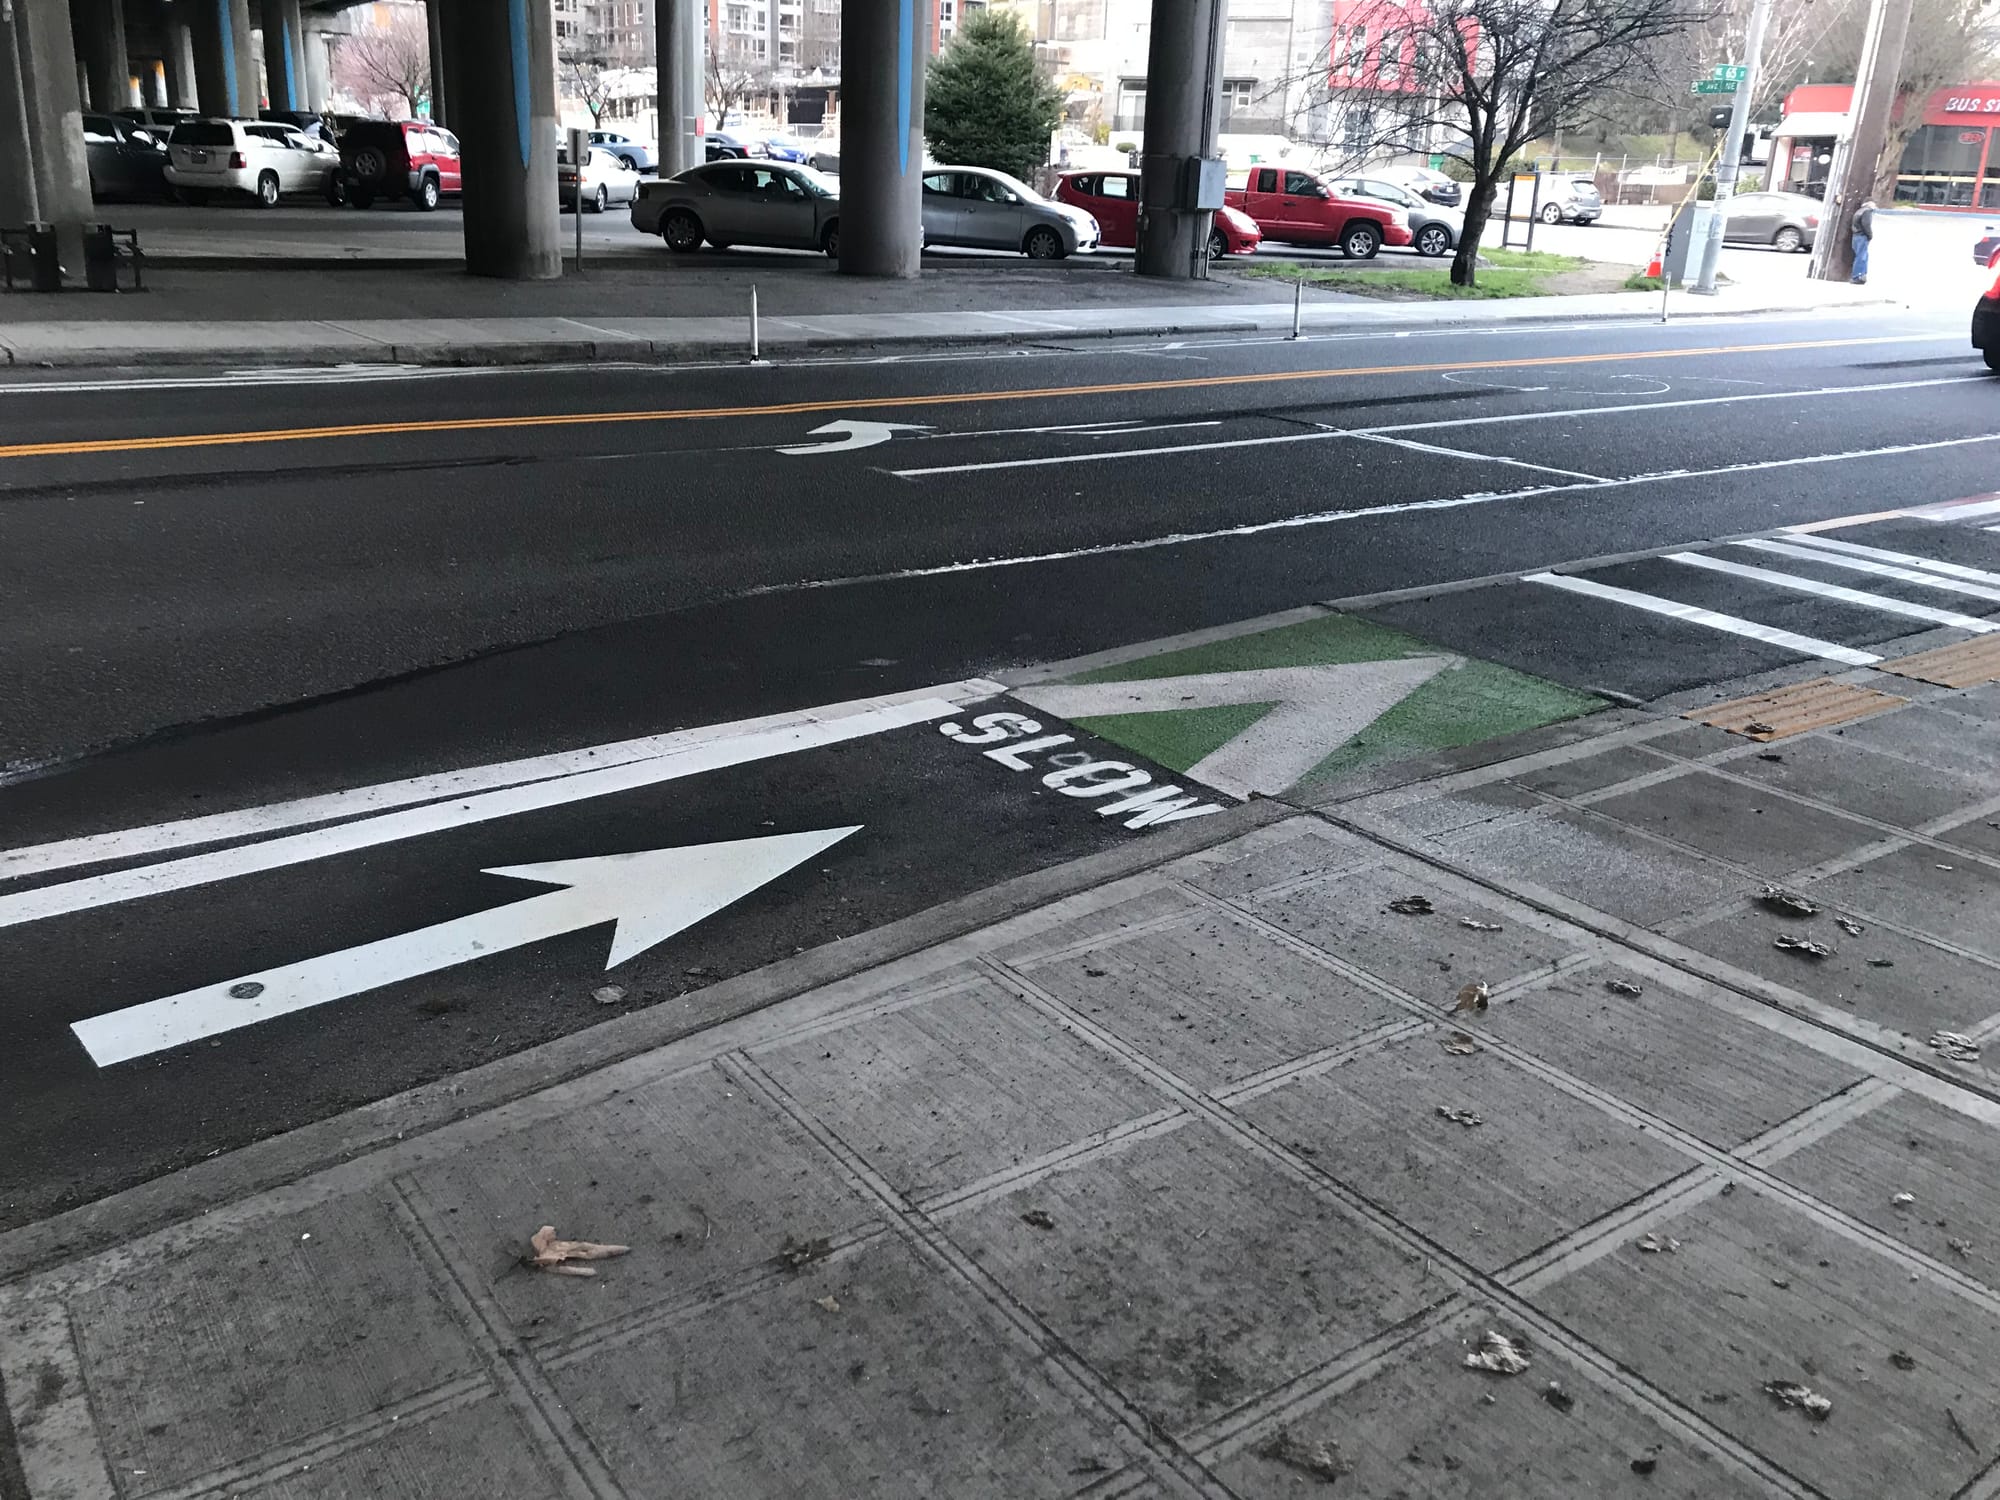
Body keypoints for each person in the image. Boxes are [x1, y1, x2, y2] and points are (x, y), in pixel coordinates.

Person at [1851, 198, 1875, 284]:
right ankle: (1858, 276)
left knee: (1859, 256)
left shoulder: (1859, 211)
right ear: (1869, 203)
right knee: (1862, 257)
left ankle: (1858, 275)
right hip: (1862, 236)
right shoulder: (1867, 211)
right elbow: (1866, 225)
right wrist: (1870, 235)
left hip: (1856, 236)